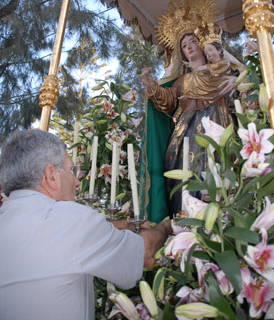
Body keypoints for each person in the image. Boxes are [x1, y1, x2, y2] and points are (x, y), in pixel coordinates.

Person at [0, 129, 171, 320]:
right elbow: (146, 254)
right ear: (51, 176)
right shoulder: (69, 219)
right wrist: (167, 227)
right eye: (72, 170)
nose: (78, 180)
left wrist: (121, 225)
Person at [139, 32, 237, 219]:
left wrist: (235, 82)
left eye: (193, 42)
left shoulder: (220, 69)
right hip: (187, 131)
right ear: (182, 54)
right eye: (184, 45)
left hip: (217, 123)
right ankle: (187, 218)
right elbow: (168, 100)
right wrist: (151, 85)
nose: (189, 46)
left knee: (216, 168)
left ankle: (220, 221)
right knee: (188, 170)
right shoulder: (182, 81)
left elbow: (238, 88)